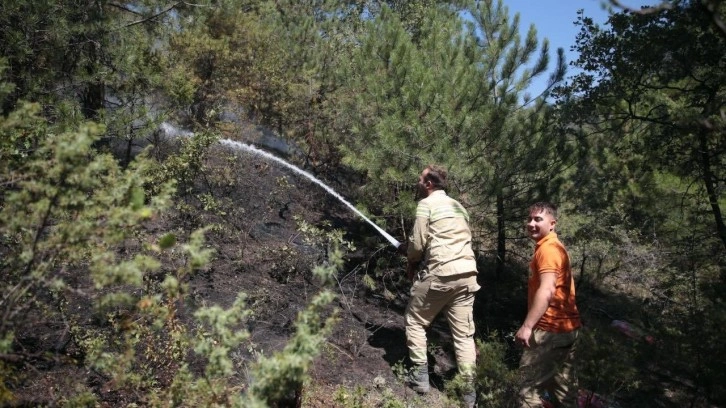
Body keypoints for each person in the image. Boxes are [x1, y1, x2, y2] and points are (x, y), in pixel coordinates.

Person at [398, 165, 480, 406]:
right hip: (468, 274)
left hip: (441, 273)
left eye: (419, 179)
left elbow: (417, 245)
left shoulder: (426, 205)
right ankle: (468, 395)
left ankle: (420, 378)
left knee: (415, 320)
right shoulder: (459, 207)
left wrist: (410, 258)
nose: (417, 182)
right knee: (464, 336)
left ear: (429, 184)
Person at [515, 202, 581, 408]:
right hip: (568, 330)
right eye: (529, 219)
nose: (531, 224)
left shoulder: (549, 250)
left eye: (538, 219)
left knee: (526, 390)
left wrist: (527, 327)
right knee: (564, 391)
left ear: (552, 223)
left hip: (549, 330)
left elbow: (547, 290)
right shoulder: (554, 247)